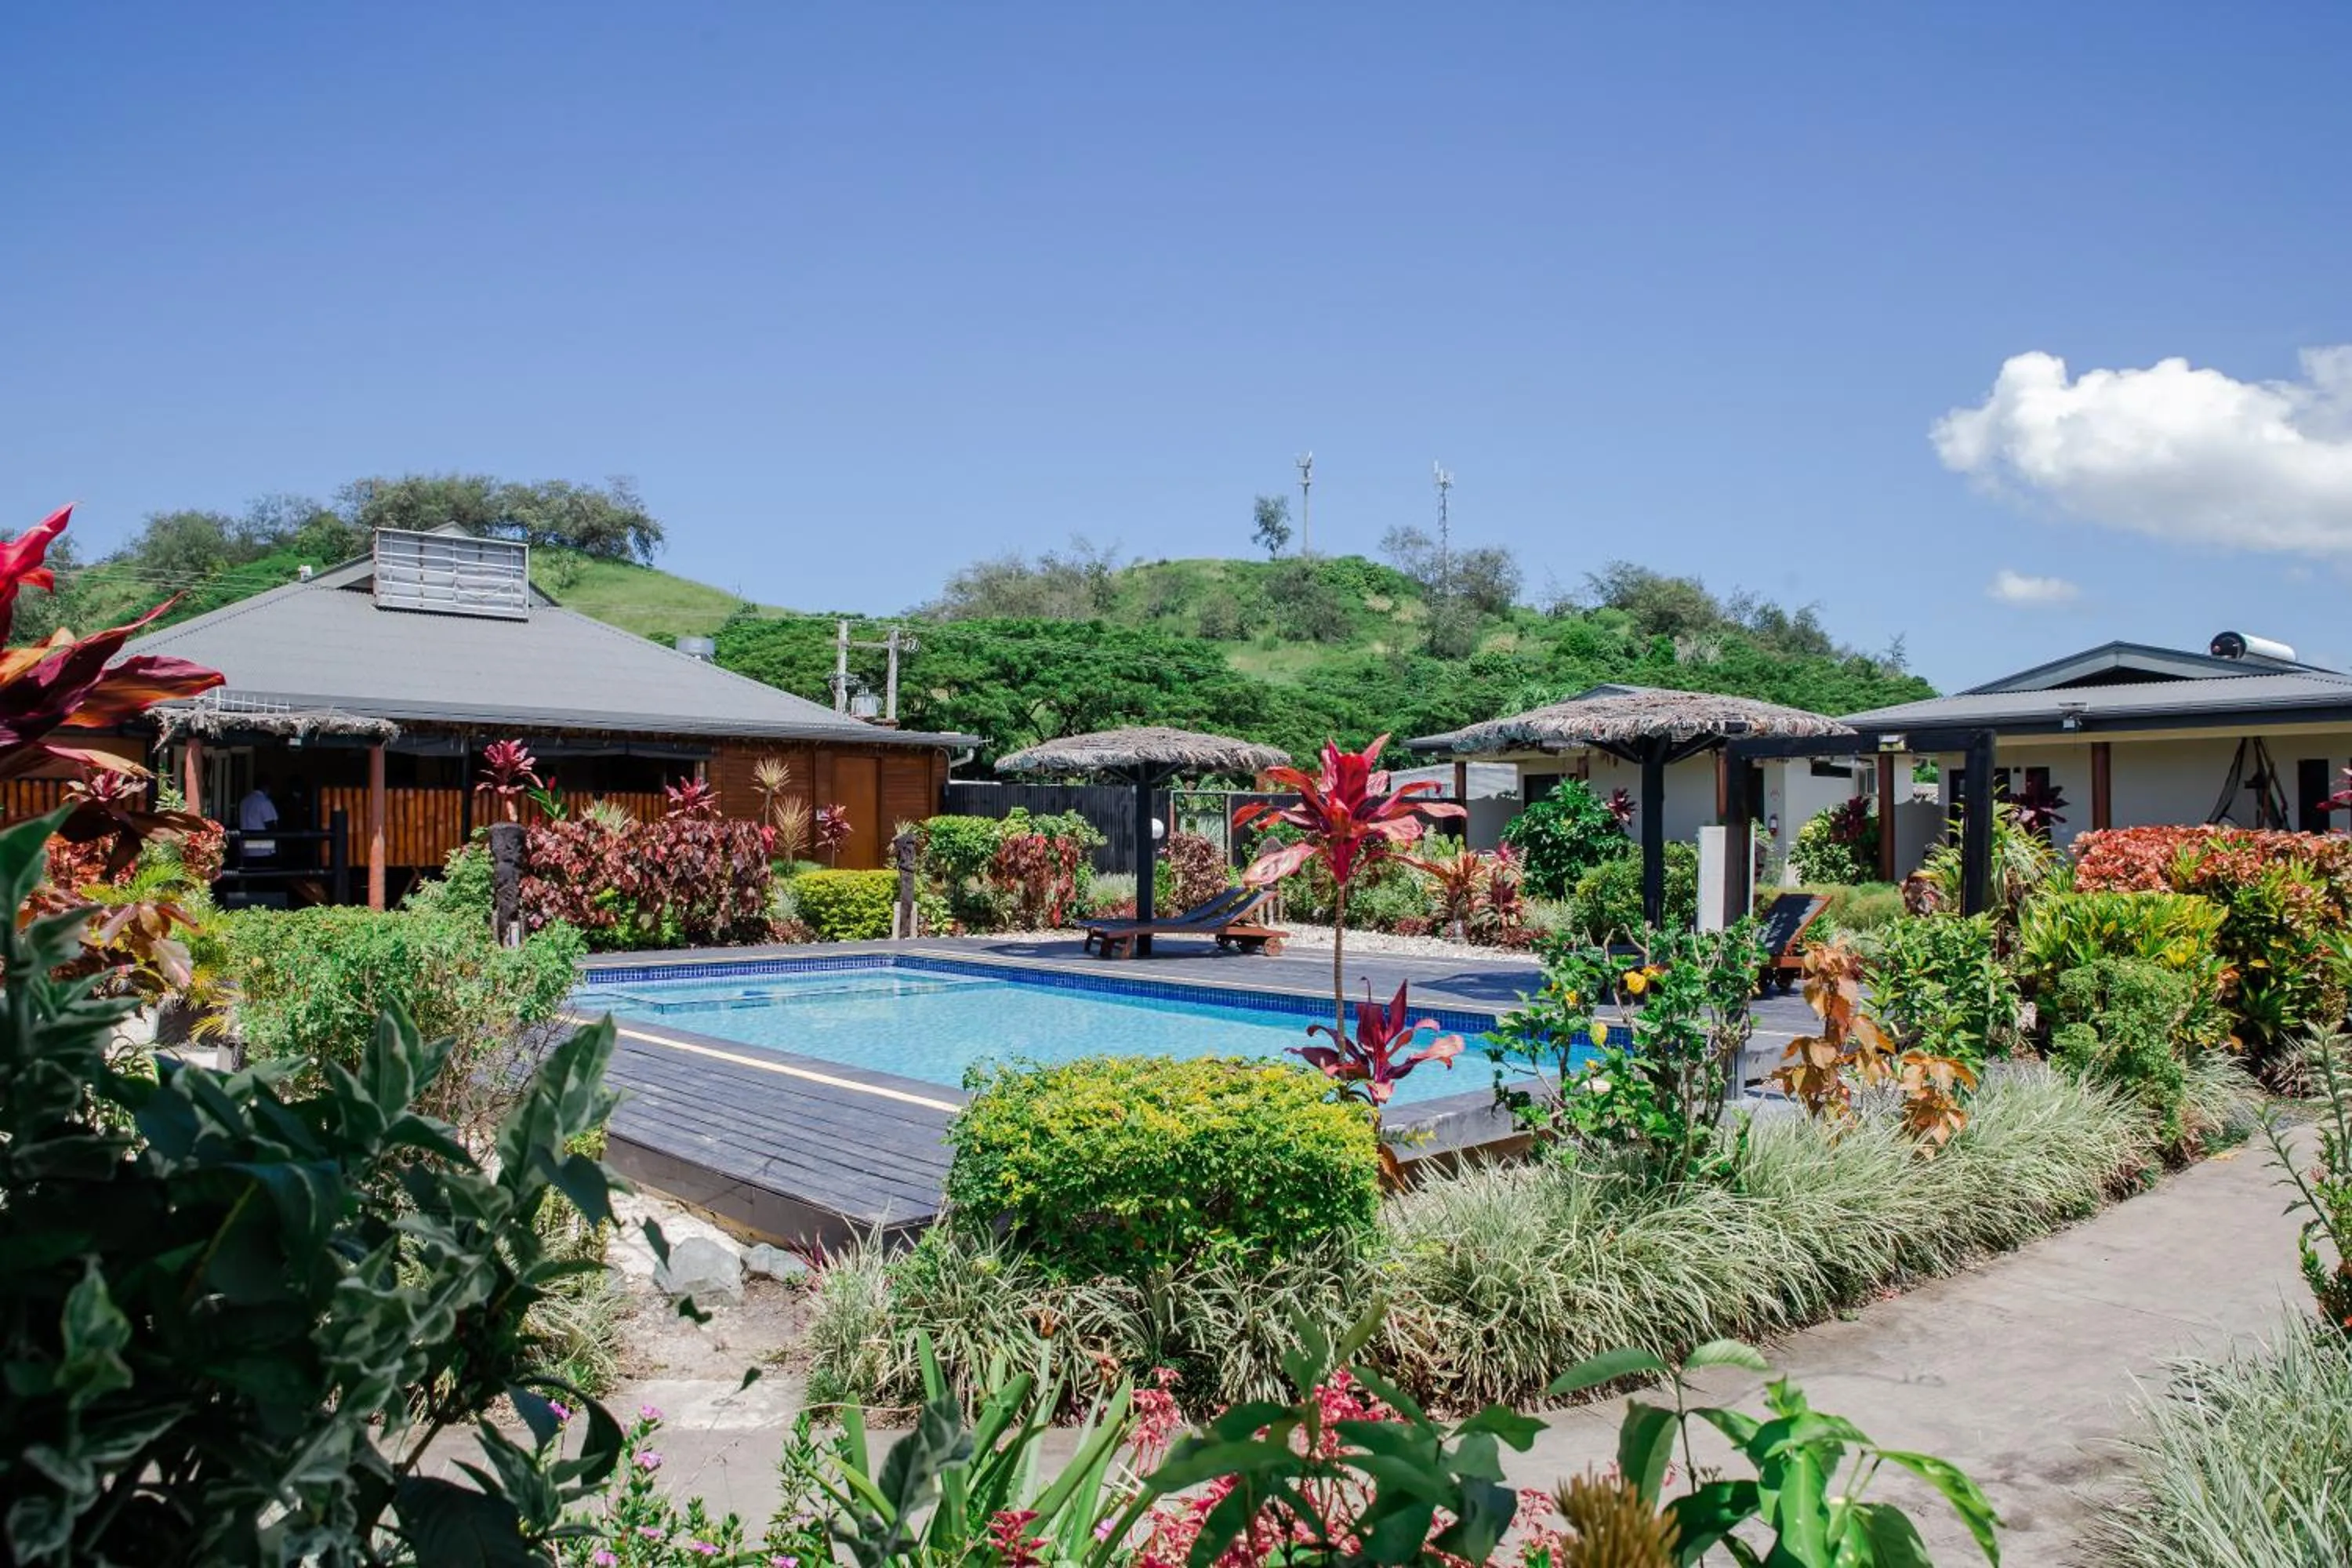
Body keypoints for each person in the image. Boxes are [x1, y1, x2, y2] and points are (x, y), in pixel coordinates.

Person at [238, 780, 280, 864]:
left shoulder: (244, 801)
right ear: (266, 787)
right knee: (262, 873)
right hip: (262, 848)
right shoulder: (264, 802)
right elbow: (271, 825)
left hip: (245, 847)